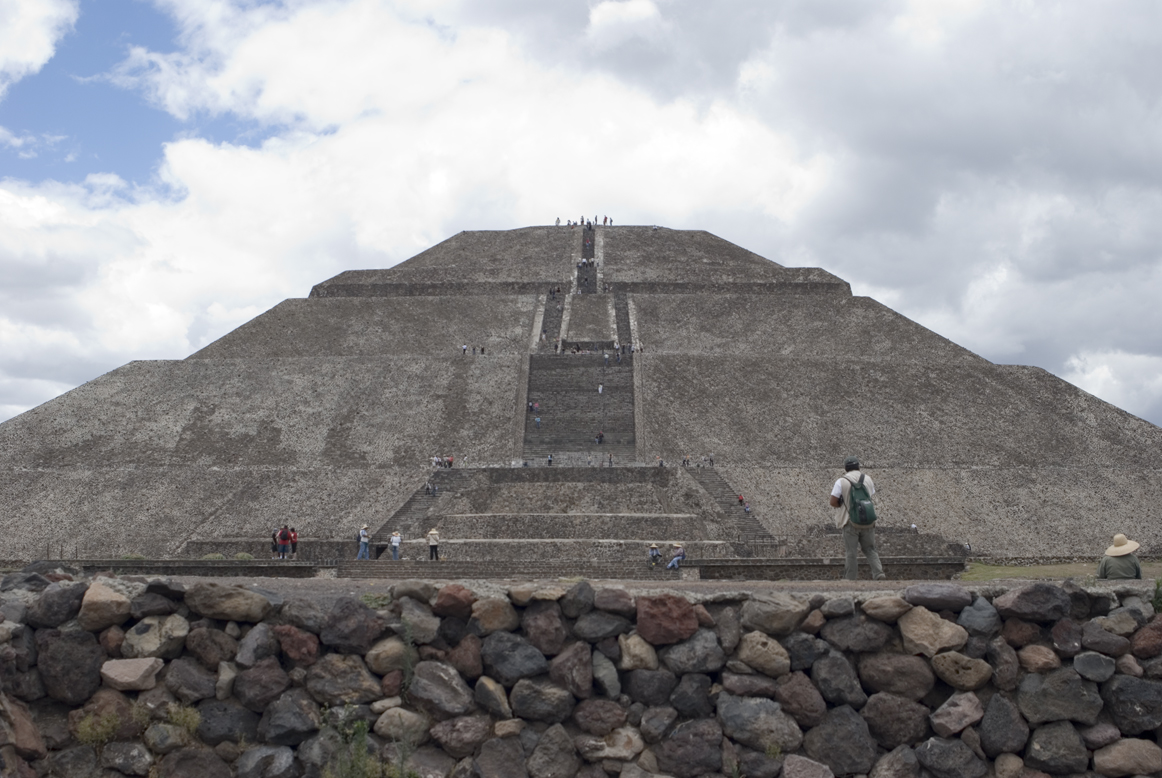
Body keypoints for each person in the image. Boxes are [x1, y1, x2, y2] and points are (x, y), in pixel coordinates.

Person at [829, 455, 885, 581]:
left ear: (845, 468)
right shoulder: (868, 479)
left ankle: (850, 578)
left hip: (850, 521)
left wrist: (843, 503)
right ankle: (878, 573)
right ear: (858, 466)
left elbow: (833, 501)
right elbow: (870, 495)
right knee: (870, 549)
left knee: (851, 552)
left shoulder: (841, 481)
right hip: (868, 520)